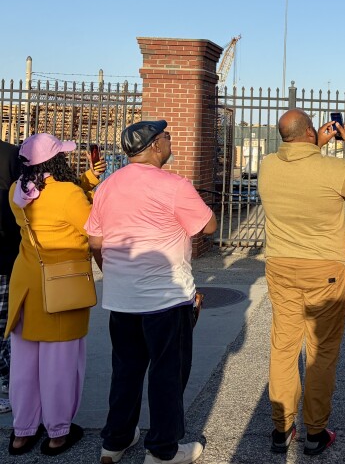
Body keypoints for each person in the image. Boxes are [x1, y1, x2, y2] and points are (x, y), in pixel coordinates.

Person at [86, 120, 217, 464]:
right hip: (166, 299)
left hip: (121, 298)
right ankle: (162, 450)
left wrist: (112, 271)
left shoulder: (107, 187)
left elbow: (96, 242)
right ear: (156, 145)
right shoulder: (174, 185)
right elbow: (209, 225)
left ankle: (114, 441)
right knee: (167, 375)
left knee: (126, 370)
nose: (170, 140)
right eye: (167, 137)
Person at [257, 109, 345, 456]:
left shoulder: (267, 166)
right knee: (320, 352)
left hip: (280, 266)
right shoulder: (332, 171)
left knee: (283, 348)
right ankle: (316, 430)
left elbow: (299, 164)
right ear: (311, 131)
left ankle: (282, 428)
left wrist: (312, 144)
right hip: (324, 268)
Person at [5, 133, 105, 456]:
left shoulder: (17, 193)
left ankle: (22, 433)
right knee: (59, 363)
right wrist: (90, 187)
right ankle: (58, 433)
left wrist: (87, 180)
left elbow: (52, 197)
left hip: (27, 286)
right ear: (55, 161)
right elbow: (92, 228)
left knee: (24, 364)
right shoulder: (69, 194)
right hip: (62, 287)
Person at [0, 139, 21, 414]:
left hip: (6, 253)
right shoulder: (11, 154)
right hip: (6, 252)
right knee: (5, 325)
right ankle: (7, 385)